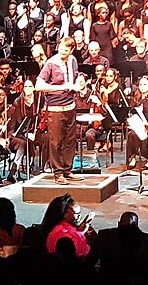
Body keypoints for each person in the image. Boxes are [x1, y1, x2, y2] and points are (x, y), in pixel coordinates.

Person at [35, 37, 83, 185]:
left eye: (66, 50)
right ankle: (58, 172)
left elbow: (75, 76)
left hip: (70, 106)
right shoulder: (51, 63)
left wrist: (79, 82)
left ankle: (67, 169)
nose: (62, 51)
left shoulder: (73, 60)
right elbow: (38, 85)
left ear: (71, 50)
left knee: (70, 140)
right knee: (56, 141)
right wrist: (63, 87)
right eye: (61, 48)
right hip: (55, 108)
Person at [85, 211, 148, 282]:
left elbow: (90, 260)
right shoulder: (143, 238)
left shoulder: (104, 235)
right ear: (136, 225)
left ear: (118, 224)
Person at [40, 193, 94, 258]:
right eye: (76, 213)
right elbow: (77, 252)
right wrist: (81, 233)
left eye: (79, 213)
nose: (79, 217)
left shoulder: (68, 228)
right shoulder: (60, 232)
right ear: (64, 213)